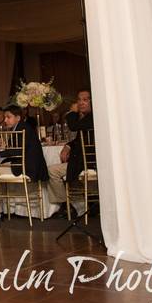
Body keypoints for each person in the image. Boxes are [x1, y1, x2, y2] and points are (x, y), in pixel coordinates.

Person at [0, 104, 49, 220]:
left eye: (8, 117)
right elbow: (15, 149)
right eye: (5, 117)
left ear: (18, 118)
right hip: (24, 164)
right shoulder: (20, 128)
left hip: (26, 167)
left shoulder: (22, 129)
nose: (5, 120)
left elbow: (18, 150)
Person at [47, 89, 94, 218]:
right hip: (81, 159)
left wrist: (72, 112)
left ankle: (66, 206)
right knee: (54, 170)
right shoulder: (86, 118)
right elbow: (80, 139)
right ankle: (68, 206)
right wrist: (68, 146)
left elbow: (73, 126)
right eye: (79, 100)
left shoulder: (93, 117)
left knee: (52, 171)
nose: (81, 103)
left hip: (88, 161)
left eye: (85, 100)